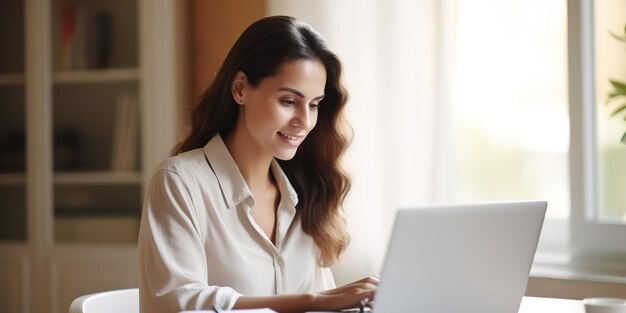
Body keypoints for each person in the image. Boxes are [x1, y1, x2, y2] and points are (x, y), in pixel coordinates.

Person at [138, 15, 378, 313]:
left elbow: (325, 304)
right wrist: (311, 301)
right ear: (240, 89)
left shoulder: (307, 192)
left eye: (314, 105)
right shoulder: (179, 182)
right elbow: (181, 303)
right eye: (289, 101)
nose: (304, 121)